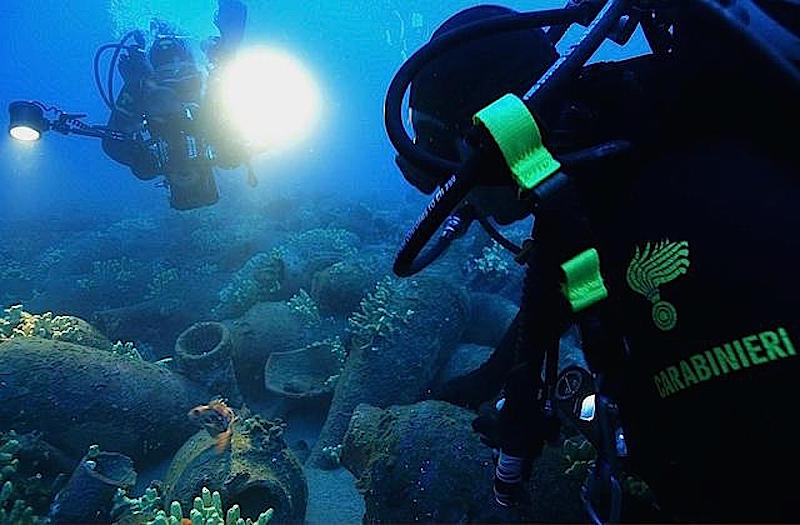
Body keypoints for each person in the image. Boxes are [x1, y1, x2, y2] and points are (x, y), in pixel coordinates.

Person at [396, 3, 799, 522]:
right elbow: (557, 282)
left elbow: (751, 464)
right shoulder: (607, 166)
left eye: (446, 162)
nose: (460, 199)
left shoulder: (662, 195)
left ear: (494, 133)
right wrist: (487, 381)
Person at [101, 0, 249, 210]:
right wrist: (224, 61)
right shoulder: (223, 146)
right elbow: (233, 102)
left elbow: (111, 142)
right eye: (196, 183)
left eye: (182, 187)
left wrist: (136, 84)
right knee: (225, 60)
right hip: (206, 77)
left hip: (150, 80)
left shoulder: (149, 162)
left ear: (169, 184)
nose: (175, 76)